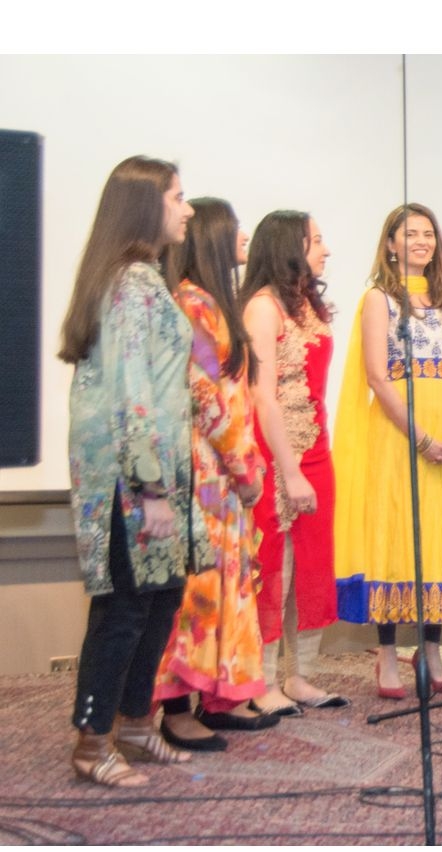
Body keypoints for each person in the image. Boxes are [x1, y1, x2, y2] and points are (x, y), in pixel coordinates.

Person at [59, 156, 204, 786]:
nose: (188, 208)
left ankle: (137, 723)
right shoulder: (127, 287)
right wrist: (150, 489)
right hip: (129, 481)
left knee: (162, 598)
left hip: (158, 476)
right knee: (123, 607)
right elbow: (131, 396)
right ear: (149, 207)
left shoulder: (147, 281)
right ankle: (93, 742)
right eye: (179, 196)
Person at [152, 198, 279, 751]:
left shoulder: (210, 301)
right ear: (212, 238)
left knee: (225, 586)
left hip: (221, 474)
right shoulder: (191, 303)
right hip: (204, 471)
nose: (244, 236)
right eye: (235, 228)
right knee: (196, 596)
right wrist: (243, 466)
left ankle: (218, 695)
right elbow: (210, 397)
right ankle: (176, 707)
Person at [334, 203, 442, 698]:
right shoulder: (379, 299)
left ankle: (431, 654)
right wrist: (422, 438)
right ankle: (388, 658)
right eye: (410, 233)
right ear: (390, 243)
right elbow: (377, 376)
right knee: (396, 537)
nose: (421, 241)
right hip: (398, 436)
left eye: (428, 233)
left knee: (438, 537)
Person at [242, 210, 348, 714]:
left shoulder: (307, 306)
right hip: (275, 453)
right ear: (289, 246)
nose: (325, 250)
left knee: (311, 565)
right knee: (273, 565)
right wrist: (288, 471)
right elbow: (262, 397)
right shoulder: (263, 308)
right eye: (316, 240)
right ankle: (260, 681)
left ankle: (299, 675)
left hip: (318, 449)